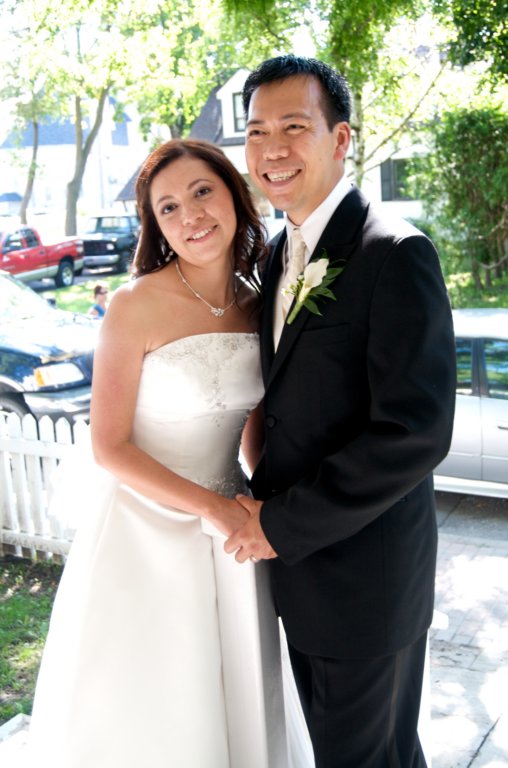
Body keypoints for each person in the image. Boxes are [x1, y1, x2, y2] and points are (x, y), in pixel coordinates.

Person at [26, 139, 311, 768]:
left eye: (202, 191)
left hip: (233, 528)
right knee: (156, 697)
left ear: (233, 194)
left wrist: (274, 508)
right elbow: (109, 446)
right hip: (142, 526)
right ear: (155, 224)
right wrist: (213, 508)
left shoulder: (259, 303)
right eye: (169, 207)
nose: (191, 216)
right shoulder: (134, 305)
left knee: (234, 689)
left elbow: (255, 430)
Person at [225, 56, 457, 768]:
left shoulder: (395, 252)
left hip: (366, 582)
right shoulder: (277, 256)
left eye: (294, 127)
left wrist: (278, 524)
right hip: (302, 578)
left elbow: (414, 432)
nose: (272, 149)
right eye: (257, 131)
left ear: (341, 138)